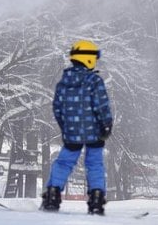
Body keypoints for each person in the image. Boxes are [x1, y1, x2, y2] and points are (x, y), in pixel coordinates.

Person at [41, 40, 113, 215]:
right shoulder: (94, 81)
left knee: (64, 162)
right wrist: (106, 125)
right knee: (94, 163)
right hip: (94, 132)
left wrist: (65, 127)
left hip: (71, 132)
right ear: (88, 59)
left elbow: (57, 108)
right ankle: (96, 200)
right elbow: (101, 106)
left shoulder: (63, 82)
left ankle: (52, 195)